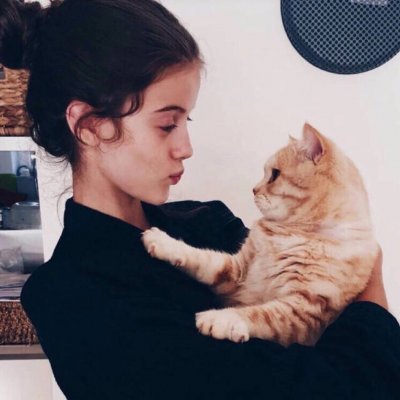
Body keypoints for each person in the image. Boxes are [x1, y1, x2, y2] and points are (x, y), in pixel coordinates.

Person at [0, 0, 398, 398]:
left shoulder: (208, 223)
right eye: (167, 124)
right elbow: (348, 387)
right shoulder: (72, 301)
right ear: (89, 126)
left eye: (185, 121)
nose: (186, 148)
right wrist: (370, 283)